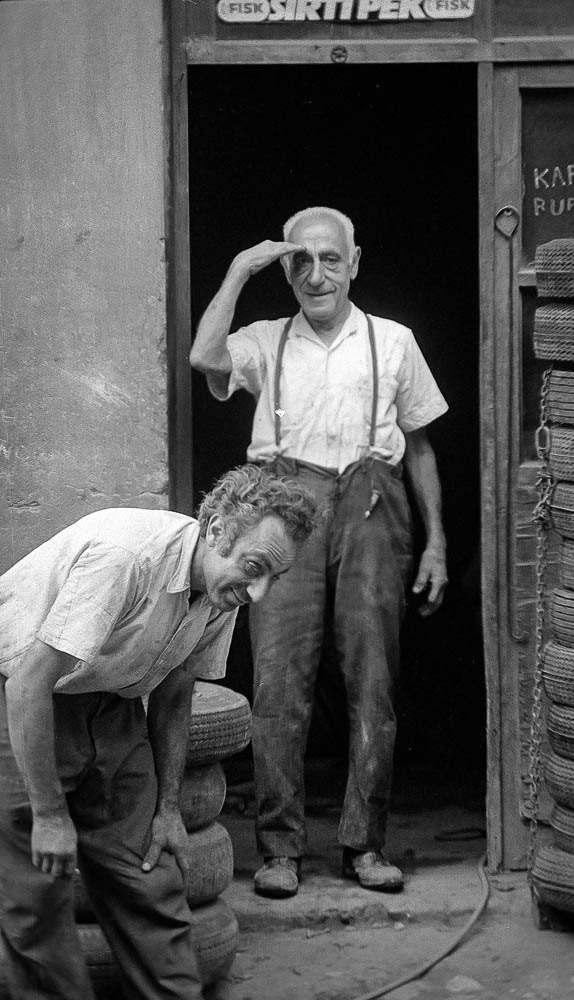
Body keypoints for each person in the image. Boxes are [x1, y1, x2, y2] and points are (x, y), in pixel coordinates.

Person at [190, 206, 448, 900]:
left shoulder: (394, 341)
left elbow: (420, 446)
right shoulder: (265, 340)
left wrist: (437, 544)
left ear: (354, 263)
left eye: (330, 259)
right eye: (300, 261)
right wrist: (240, 269)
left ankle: (366, 845)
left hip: (373, 505)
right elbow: (204, 358)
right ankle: (280, 849)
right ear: (286, 270)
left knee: (373, 678)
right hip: (284, 511)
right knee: (279, 682)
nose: (316, 275)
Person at [0, 464, 318, 1000]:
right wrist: (50, 816)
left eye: (274, 577)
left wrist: (168, 807)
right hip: (20, 699)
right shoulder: (126, 557)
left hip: (112, 704)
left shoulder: (222, 589)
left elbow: (175, 692)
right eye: (255, 568)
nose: (260, 592)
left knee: (150, 875)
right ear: (216, 529)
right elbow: (29, 683)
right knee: (37, 899)